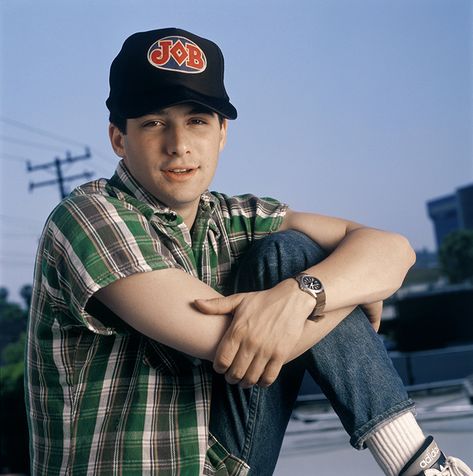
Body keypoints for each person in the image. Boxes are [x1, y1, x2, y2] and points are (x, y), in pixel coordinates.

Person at [24, 27, 472, 476]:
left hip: (223, 462)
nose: (178, 144)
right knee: (310, 262)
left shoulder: (233, 217)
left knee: (291, 254)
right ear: (119, 139)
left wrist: (301, 293)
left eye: (197, 120)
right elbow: (239, 345)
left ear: (221, 132)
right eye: (154, 122)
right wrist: (344, 287)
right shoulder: (88, 216)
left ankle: (424, 468)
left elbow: (392, 249)